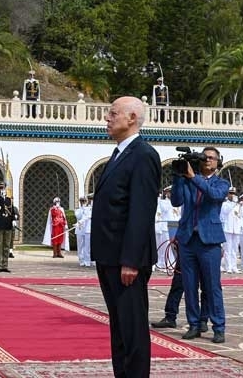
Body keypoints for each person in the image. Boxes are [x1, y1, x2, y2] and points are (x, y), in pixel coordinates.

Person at [91, 96, 161, 377]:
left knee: (132, 330)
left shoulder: (144, 155)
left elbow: (141, 210)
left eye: (113, 113)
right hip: (109, 256)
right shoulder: (119, 154)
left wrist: (131, 259)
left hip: (126, 260)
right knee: (119, 328)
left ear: (132, 118)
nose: (107, 118)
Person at [171, 146, 229, 344]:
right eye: (204, 157)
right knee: (189, 285)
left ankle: (218, 326)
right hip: (188, 239)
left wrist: (193, 177)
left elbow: (214, 196)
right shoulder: (188, 180)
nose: (207, 160)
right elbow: (176, 201)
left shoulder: (221, 183)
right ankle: (194, 324)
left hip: (209, 241)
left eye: (211, 158)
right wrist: (179, 177)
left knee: (212, 286)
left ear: (217, 162)